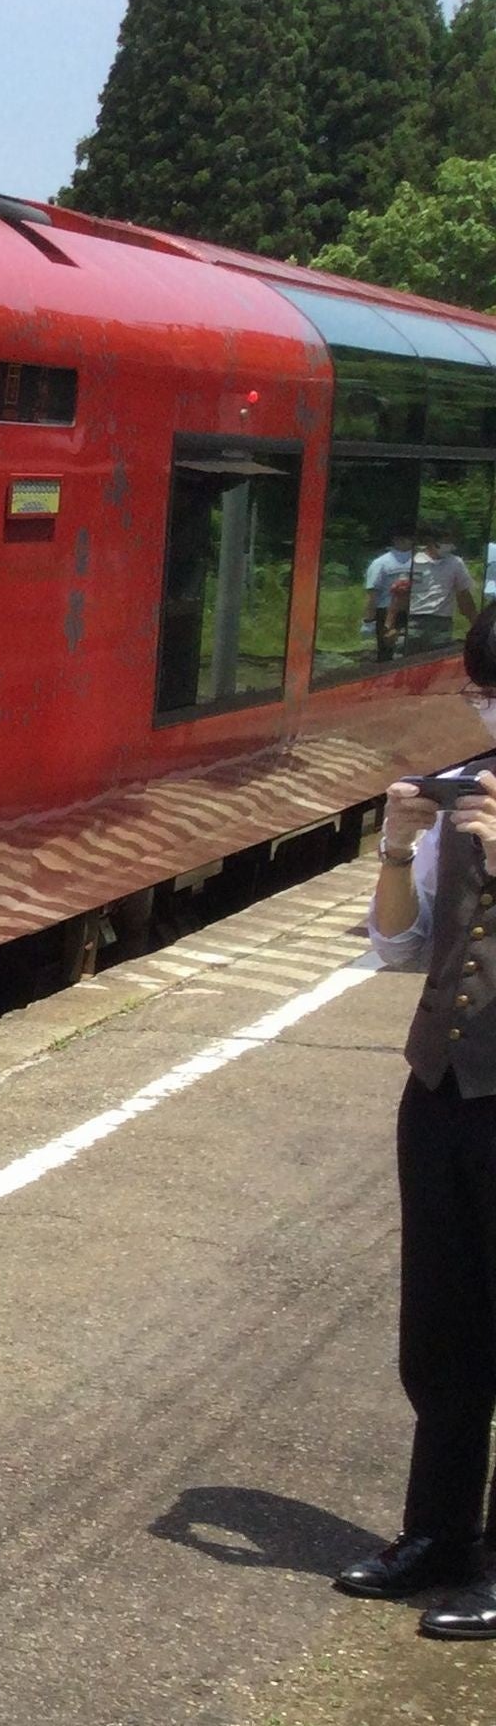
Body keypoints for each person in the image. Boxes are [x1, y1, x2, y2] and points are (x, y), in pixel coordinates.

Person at [345, 601, 496, 1639]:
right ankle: (436, 1532)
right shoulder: (468, 792)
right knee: (438, 1328)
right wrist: (399, 849)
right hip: (442, 1090)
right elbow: (396, 950)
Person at [405, 520, 482, 656]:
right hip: (413, 621)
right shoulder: (413, 561)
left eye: (450, 541)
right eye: (444, 541)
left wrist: (476, 624)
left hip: (440, 623)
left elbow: (464, 596)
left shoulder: (455, 563)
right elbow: (400, 595)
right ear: (430, 541)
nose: (449, 545)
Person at [365, 526, 416, 664]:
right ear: (394, 540)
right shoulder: (381, 563)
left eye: (408, 538)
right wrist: (369, 620)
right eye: (401, 538)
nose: (404, 541)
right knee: (387, 653)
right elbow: (373, 593)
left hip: (413, 611)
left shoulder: (419, 560)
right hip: (386, 612)